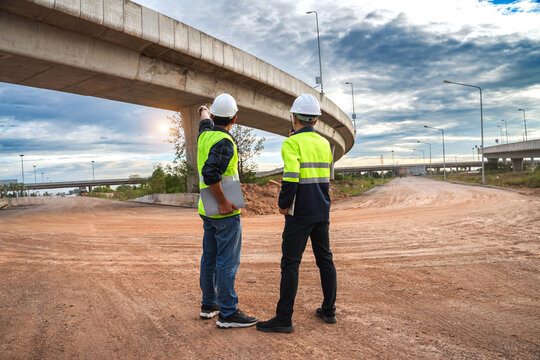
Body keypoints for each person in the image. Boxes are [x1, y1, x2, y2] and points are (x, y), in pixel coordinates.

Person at [256, 94, 337, 333]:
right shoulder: (324, 144)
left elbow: (290, 177)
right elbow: (324, 178)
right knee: (325, 260)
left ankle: (284, 318)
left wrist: (283, 204)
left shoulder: (291, 144)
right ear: (316, 121)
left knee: (290, 264)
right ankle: (329, 309)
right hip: (322, 209)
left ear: (294, 118)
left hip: (300, 212)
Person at [197, 93, 258, 328]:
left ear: (212, 116)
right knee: (227, 261)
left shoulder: (205, 134)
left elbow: (203, 118)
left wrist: (202, 108)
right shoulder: (225, 142)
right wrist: (223, 201)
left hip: (206, 208)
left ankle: (208, 304)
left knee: (210, 257)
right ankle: (228, 312)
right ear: (235, 118)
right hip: (224, 210)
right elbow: (211, 173)